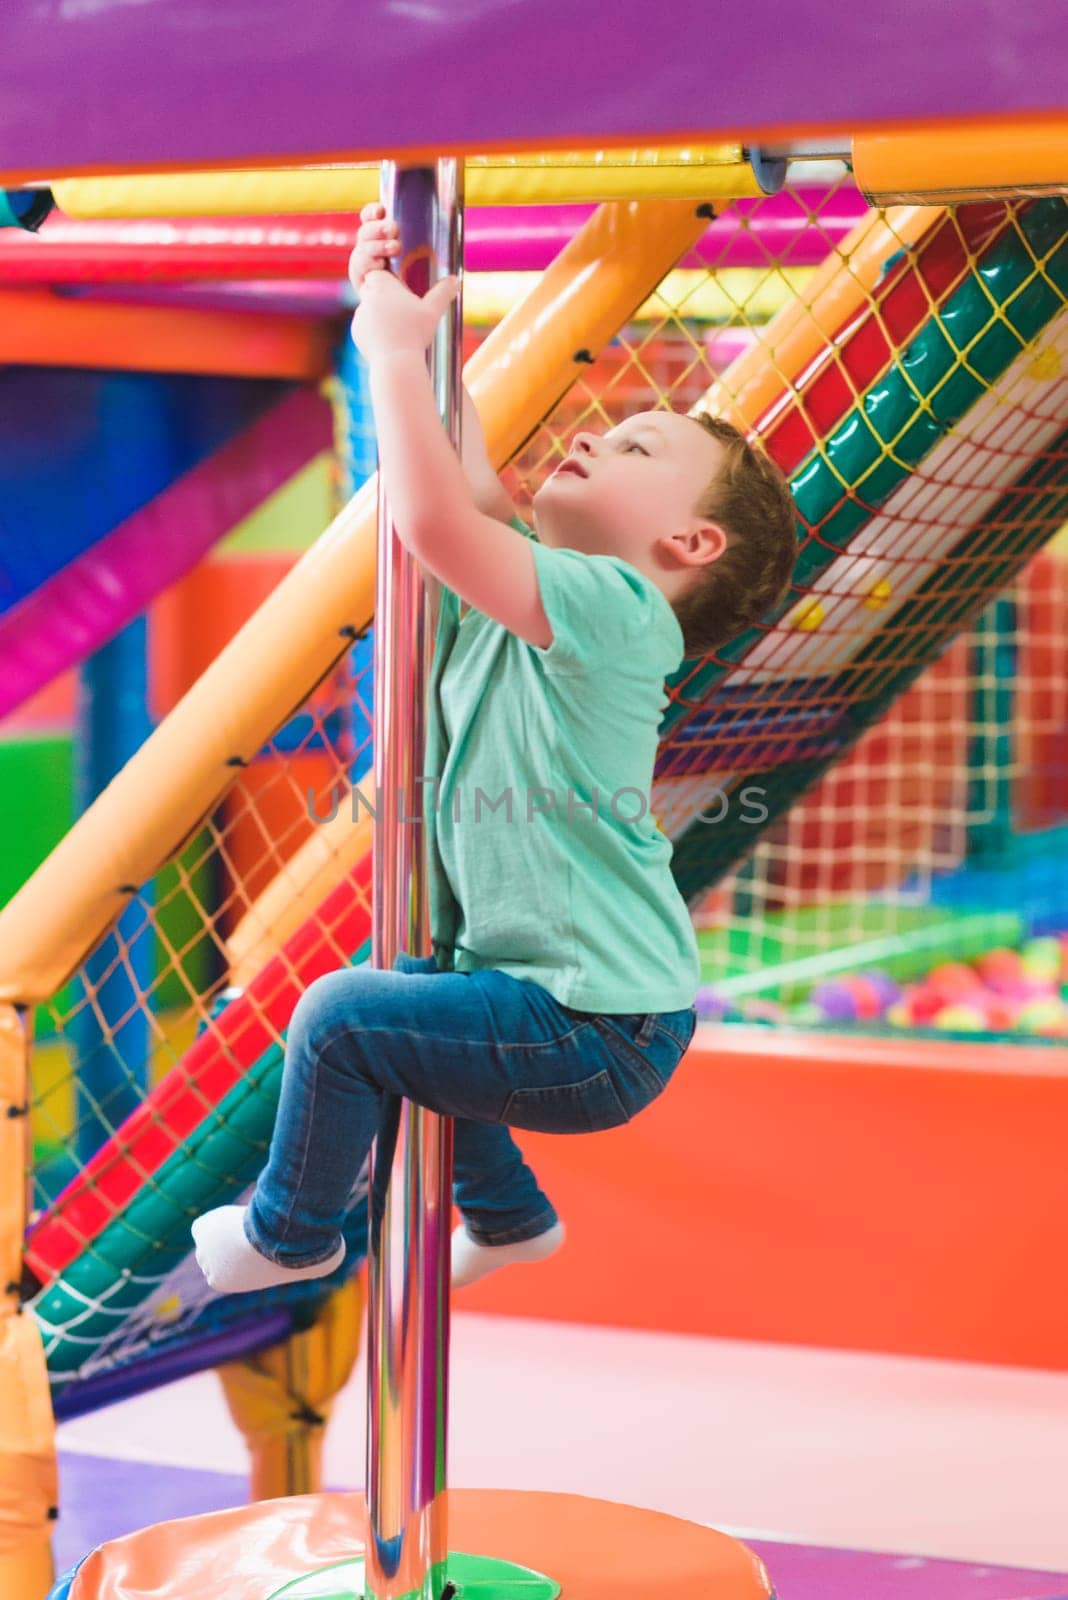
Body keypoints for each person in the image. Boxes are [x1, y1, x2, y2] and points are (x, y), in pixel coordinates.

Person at [191, 203, 797, 1297]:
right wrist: (425, 334)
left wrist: (382, 351)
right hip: (574, 1003)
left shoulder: (618, 611)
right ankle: (509, 1215)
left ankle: (291, 1232)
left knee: (343, 1016)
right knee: (424, 994)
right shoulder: (538, 607)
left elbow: (432, 519)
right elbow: (466, 494)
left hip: (595, 1022)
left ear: (688, 545)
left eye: (634, 446)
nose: (593, 432)